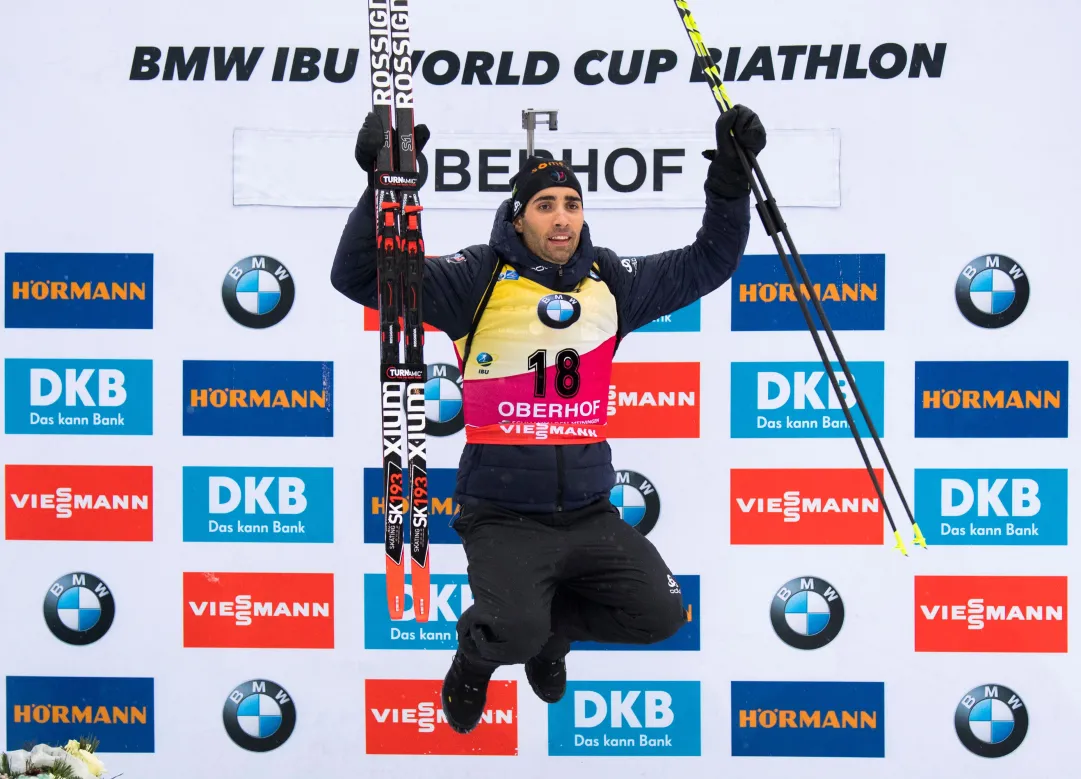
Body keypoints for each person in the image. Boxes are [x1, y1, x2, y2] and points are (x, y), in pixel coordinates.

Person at [331, 104, 766, 734]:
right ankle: (477, 659)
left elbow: (710, 260)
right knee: (512, 627)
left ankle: (551, 636)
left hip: (589, 511)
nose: (561, 216)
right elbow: (359, 275)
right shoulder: (477, 277)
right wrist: (381, 187)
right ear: (519, 216)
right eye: (544, 205)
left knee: (662, 615)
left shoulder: (610, 281)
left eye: (571, 203)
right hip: (503, 516)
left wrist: (730, 175)